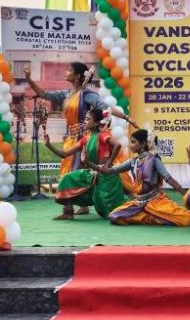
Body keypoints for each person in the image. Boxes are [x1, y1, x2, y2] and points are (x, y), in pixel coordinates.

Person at [25, 62, 136, 214]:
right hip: (71, 138)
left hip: (86, 138)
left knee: (87, 170)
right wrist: (28, 79)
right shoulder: (66, 94)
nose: (66, 72)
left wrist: (126, 117)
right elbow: (44, 94)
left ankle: (129, 197)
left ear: (78, 76)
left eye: (69, 70)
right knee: (72, 170)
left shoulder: (86, 95)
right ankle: (80, 206)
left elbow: (106, 107)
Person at [94, 129, 190, 226]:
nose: (130, 145)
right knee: (115, 216)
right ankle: (152, 217)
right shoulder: (133, 161)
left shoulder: (154, 159)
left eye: (133, 142)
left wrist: (185, 193)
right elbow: (109, 171)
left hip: (156, 201)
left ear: (143, 144)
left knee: (185, 220)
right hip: (138, 202)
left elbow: (168, 178)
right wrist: (89, 164)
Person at [44, 108, 126, 220]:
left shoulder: (102, 135)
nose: (85, 121)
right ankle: (68, 212)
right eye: (85, 119)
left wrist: (109, 163)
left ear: (96, 123)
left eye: (88, 119)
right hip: (91, 173)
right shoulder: (85, 139)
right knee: (68, 178)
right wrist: (48, 145)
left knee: (108, 212)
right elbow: (64, 154)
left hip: (105, 177)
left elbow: (117, 145)